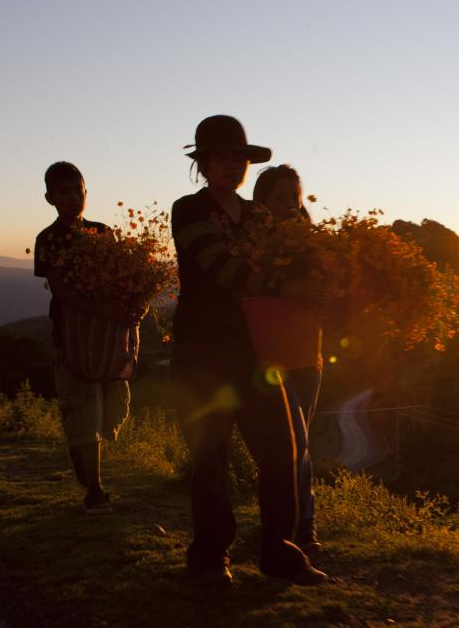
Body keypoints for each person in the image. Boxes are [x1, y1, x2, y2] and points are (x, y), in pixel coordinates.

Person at [170, 115, 327, 586]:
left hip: (260, 353)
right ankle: (210, 557)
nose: (231, 164)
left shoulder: (259, 216)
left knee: (283, 448)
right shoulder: (189, 209)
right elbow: (222, 267)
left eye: (237, 156)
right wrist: (288, 285)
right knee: (211, 456)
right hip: (203, 353)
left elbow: (294, 258)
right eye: (220, 156)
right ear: (202, 162)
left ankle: (279, 549)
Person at [33, 161, 136, 515]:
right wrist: (108, 312)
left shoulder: (102, 232)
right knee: (82, 409)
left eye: (78, 190)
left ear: (86, 192)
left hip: (106, 341)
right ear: (50, 198)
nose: (73, 197)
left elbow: (123, 281)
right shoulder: (48, 240)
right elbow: (63, 294)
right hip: (72, 339)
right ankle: (95, 488)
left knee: (109, 413)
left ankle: (85, 462)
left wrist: (131, 309)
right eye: (64, 192)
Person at [252, 164, 323, 555]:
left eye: (292, 197)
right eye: (278, 196)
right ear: (262, 200)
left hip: (305, 353)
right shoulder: (250, 243)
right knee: (286, 444)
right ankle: (298, 526)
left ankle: (297, 526)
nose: (287, 204)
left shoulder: (314, 246)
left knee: (300, 443)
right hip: (266, 354)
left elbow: (324, 291)